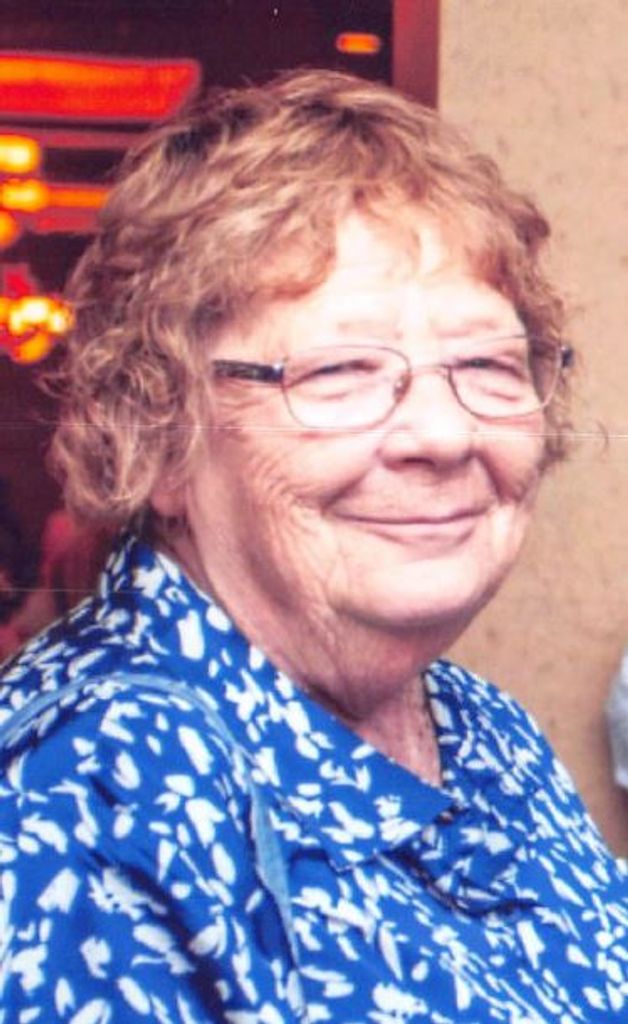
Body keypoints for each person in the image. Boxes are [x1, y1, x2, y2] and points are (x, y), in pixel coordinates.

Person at [0, 69, 625, 1023]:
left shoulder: (479, 726)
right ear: (157, 433)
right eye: (339, 372)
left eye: (487, 364)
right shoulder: (84, 798)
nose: (444, 433)